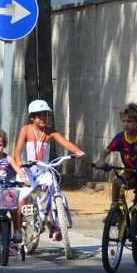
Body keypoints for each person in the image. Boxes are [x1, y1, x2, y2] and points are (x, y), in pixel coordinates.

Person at [14, 99, 86, 241]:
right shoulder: (26, 130)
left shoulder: (50, 133)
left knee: (52, 188)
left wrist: (78, 152)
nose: (43, 118)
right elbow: (17, 150)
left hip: (43, 171)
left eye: (46, 115)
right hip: (26, 171)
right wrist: (19, 161)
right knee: (21, 204)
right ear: (32, 117)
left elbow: (65, 143)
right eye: (39, 115)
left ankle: (53, 225)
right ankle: (15, 231)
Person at [94, 102, 137, 249]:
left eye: (130, 121)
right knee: (117, 183)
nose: (126, 124)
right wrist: (101, 160)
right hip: (130, 172)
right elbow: (106, 151)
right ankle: (115, 211)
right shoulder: (120, 137)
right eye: (123, 121)